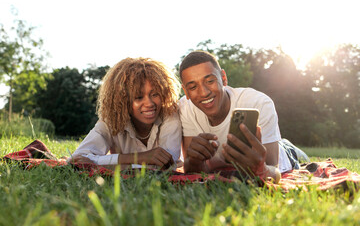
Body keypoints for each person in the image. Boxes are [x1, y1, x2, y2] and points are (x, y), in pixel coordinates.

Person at [178, 50, 309, 182]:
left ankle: (291, 148)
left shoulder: (258, 102)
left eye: (210, 81)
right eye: (193, 87)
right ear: (186, 91)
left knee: (290, 151)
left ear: (223, 78)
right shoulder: (185, 108)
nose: (204, 92)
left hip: (284, 157)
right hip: (221, 167)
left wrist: (260, 168)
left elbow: (272, 168)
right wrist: (194, 160)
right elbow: (191, 170)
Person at [69, 57, 182, 169]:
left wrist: (104, 162)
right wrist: (138, 158)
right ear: (122, 100)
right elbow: (77, 158)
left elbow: (165, 166)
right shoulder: (112, 120)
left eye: (155, 94)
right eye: (139, 97)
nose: (149, 103)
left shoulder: (170, 114)